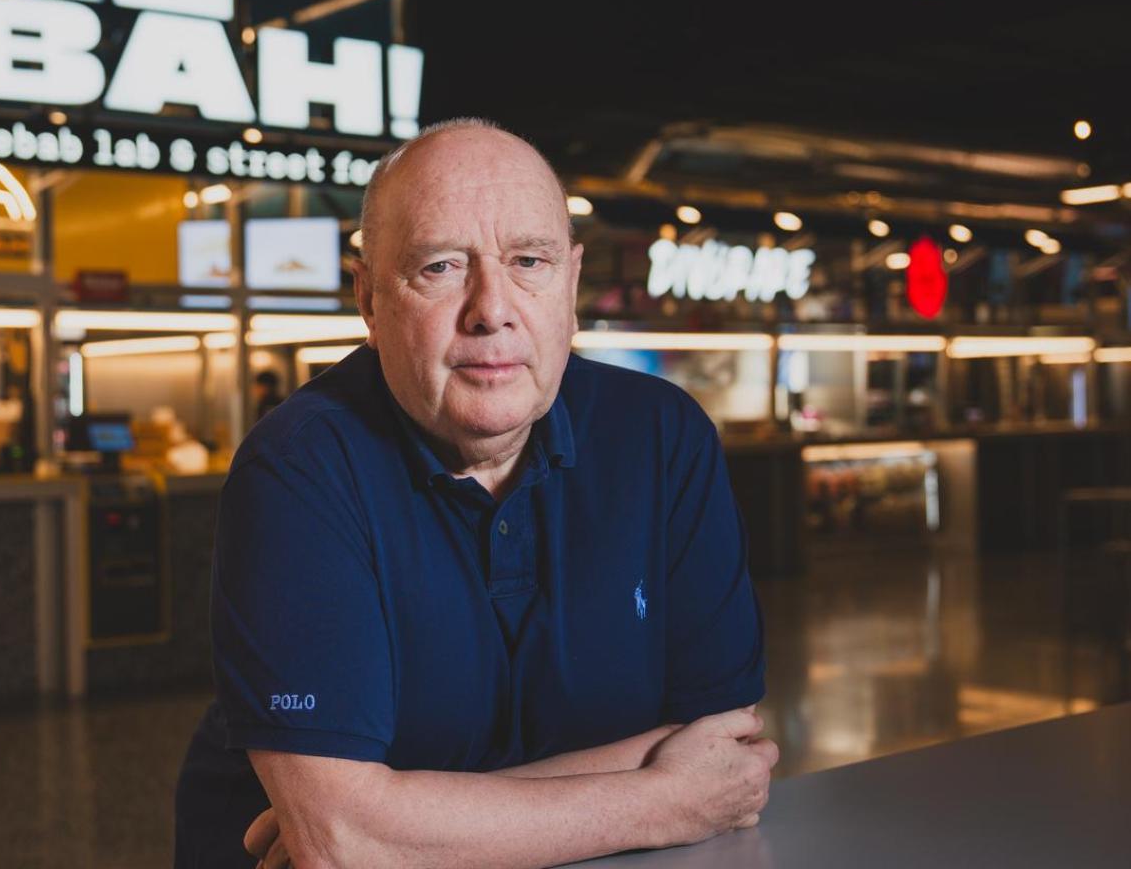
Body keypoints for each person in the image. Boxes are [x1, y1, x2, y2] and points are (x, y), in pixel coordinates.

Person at [173, 119, 775, 868]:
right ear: (368, 298)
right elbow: (339, 841)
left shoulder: (662, 435)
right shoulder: (299, 466)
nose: (492, 309)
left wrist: (396, 823)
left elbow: (722, 746)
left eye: (529, 261)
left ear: (571, 284)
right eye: (441, 267)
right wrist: (663, 798)